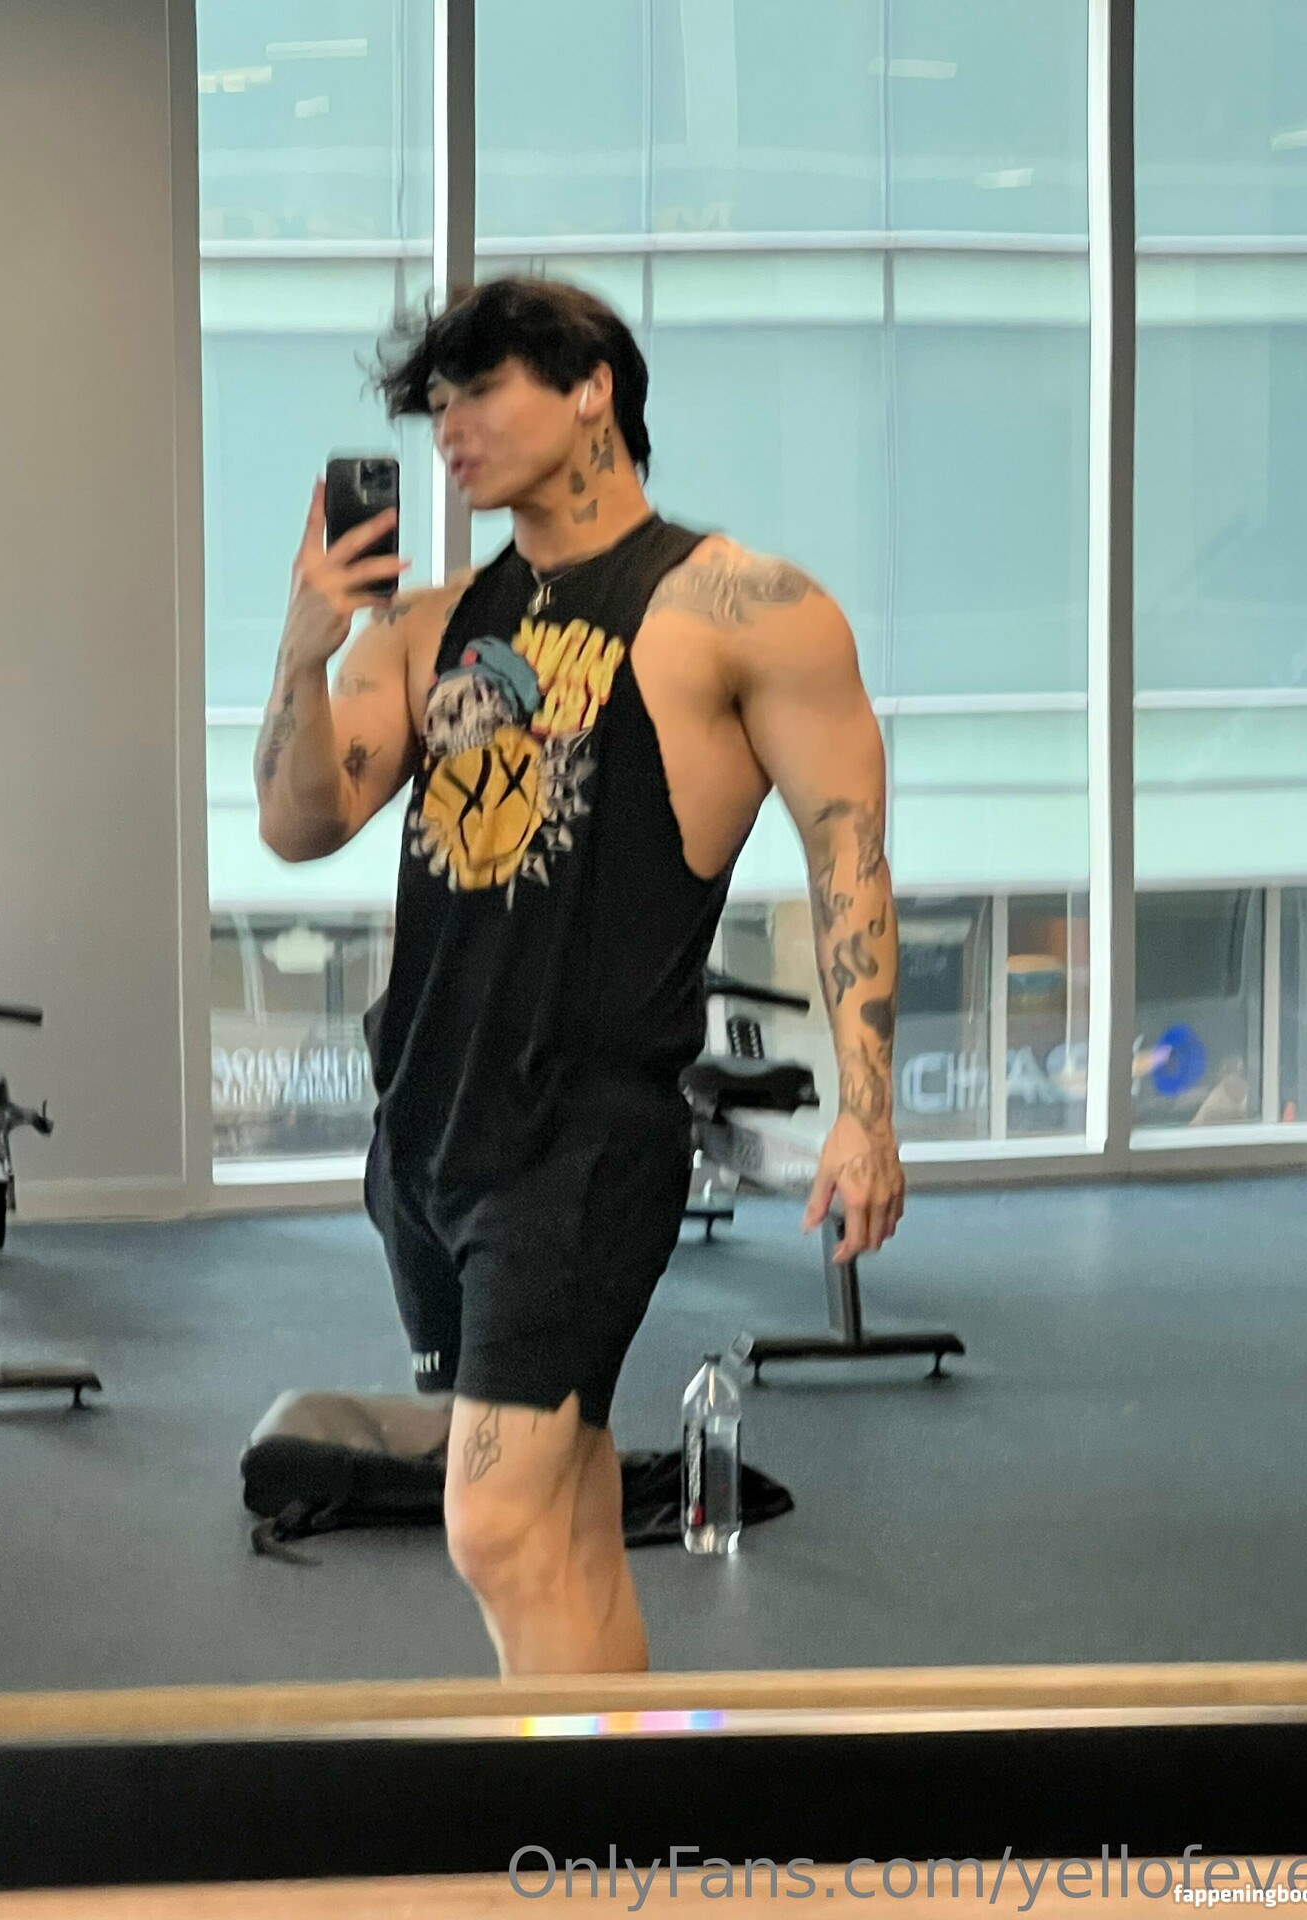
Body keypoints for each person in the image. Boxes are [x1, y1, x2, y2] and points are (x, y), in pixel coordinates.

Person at [254, 276, 905, 1678]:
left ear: (592, 388)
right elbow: (298, 823)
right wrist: (305, 654)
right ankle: (628, 1794)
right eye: (435, 407)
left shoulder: (744, 610)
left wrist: (869, 1108)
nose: (450, 430)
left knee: (491, 1526)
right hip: (426, 1128)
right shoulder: (426, 627)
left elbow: (848, 851)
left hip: (582, 1139)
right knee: (563, 1519)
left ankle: (556, 1815)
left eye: (479, 392)